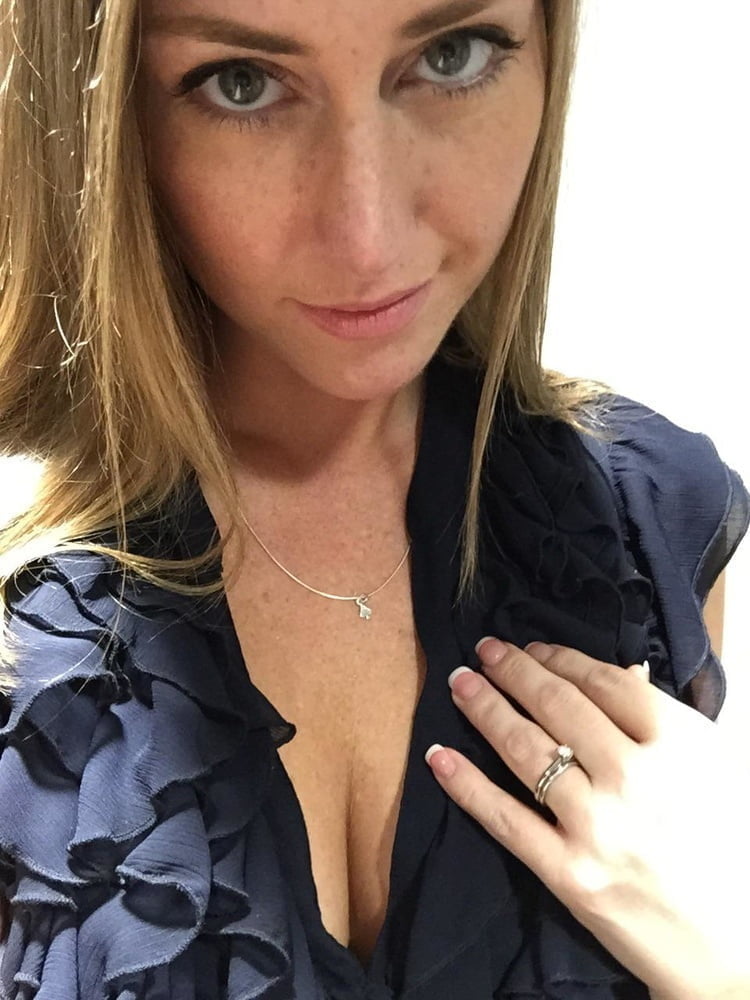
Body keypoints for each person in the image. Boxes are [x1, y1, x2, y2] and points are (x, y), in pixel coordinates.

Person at [0, 0, 748, 997]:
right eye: (241, 83)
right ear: (105, 117)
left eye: (452, 54)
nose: (367, 237)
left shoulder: (645, 533)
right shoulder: (25, 622)